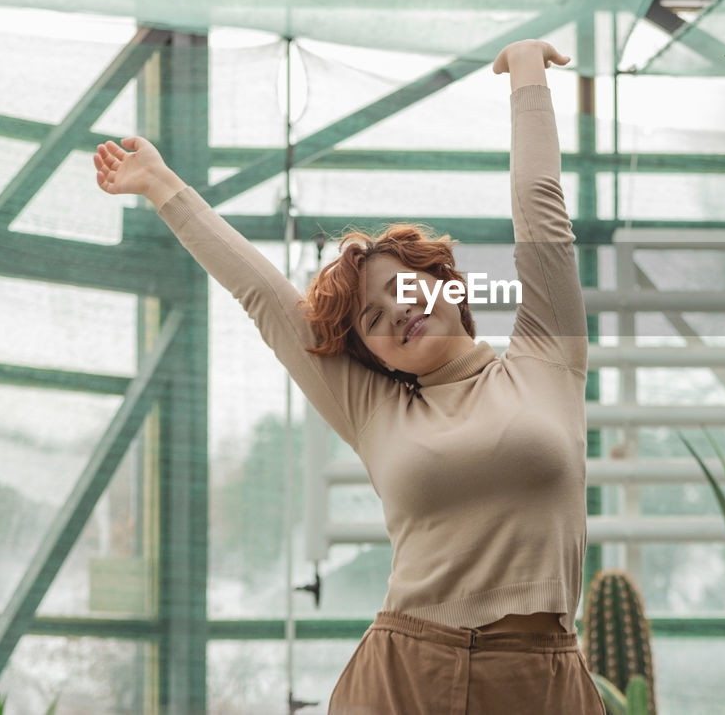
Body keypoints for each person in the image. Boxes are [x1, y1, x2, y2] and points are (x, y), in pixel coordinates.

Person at [92, 39, 604, 714]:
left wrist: (526, 72)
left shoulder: (547, 355)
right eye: (371, 318)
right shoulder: (374, 406)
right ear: (375, 356)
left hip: (544, 683)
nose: (395, 312)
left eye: (402, 288)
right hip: (405, 677)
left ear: (447, 283)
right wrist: (163, 187)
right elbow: (262, 295)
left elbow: (541, 209)